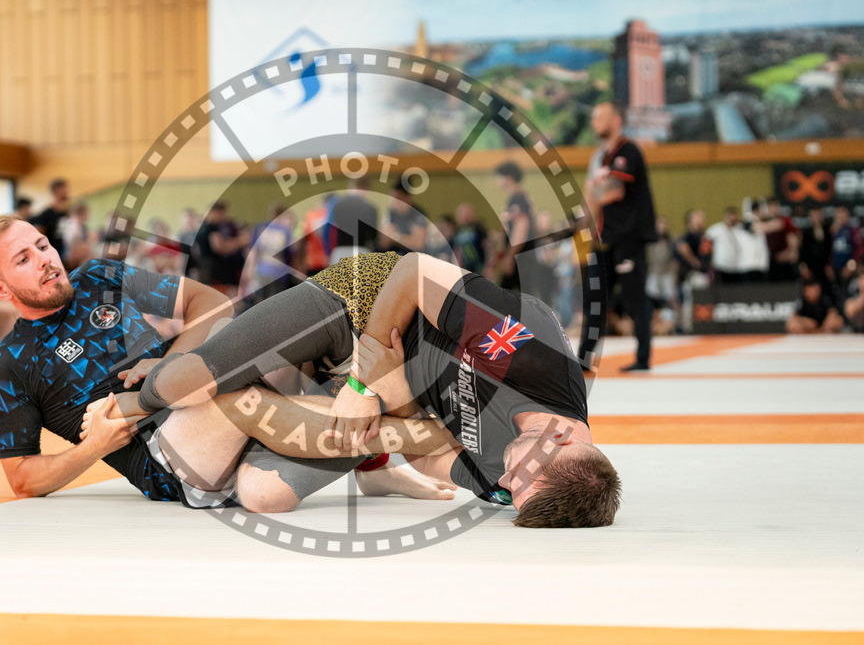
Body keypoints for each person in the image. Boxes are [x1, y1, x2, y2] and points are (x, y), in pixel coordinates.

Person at [0, 216, 446, 511]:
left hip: (184, 391)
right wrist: (92, 446)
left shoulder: (100, 276)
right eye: (23, 258)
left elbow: (211, 304)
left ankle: (373, 461)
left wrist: (169, 369)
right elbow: (22, 477)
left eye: (41, 244)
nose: (44, 259)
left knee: (267, 488)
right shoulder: (9, 365)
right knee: (238, 406)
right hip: (169, 457)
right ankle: (418, 433)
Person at [133, 251, 620, 527]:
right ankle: (137, 395)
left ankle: (271, 399)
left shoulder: (511, 483)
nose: (503, 483)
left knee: (264, 495)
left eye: (513, 493)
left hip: (390, 387)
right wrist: (365, 384)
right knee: (181, 381)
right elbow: (412, 273)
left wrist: (399, 396)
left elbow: (432, 458)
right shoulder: (528, 357)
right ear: (561, 438)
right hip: (365, 309)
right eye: (519, 479)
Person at [578, 101, 657, 372]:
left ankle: (643, 358)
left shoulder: (628, 150)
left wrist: (593, 194)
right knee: (595, 300)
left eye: (599, 117)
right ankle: (584, 360)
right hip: (604, 238)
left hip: (628, 238)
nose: (593, 122)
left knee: (635, 299)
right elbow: (591, 195)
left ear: (615, 120)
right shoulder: (599, 157)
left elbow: (613, 191)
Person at [195, 202, 248, 299]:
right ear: (215, 213)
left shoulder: (220, 226)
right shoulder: (209, 228)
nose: (224, 216)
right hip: (216, 273)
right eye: (221, 213)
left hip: (223, 272)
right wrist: (240, 242)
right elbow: (219, 247)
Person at [493, 162, 532, 290]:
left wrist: (510, 256)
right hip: (519, 257)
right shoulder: (516, 198)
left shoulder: (518, 199)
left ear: (509, 177)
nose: (497, 181)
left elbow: (521, 228)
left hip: (521, 258)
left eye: (500, 176)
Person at [327, 178, 379, 263]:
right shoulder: (371, 208)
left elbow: (328, 230)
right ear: (368, 188)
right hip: (362, 252)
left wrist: (328, 253)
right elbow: (373, 236)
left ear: (350, 186)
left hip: (340, 252)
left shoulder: (337, 205)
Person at [379, 176, 428, 256]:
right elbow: (383, 243)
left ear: (407, 198)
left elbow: (419, 244)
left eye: (397, 198)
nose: (393, 202)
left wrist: (395, 237)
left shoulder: (417, 214)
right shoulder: (390, 213)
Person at [31, 178, 71, 257]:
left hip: (62, 254)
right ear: (57, 190)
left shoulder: (66, 213)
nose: (67, 192)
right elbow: (40, 239)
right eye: (65, 189)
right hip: (50, 256)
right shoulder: (46, 215)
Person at [705, 207, 745, 284]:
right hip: (721, 266)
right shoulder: (717, 229)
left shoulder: (739, 229)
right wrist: (708, 261)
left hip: (736, 267)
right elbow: (706, 244)